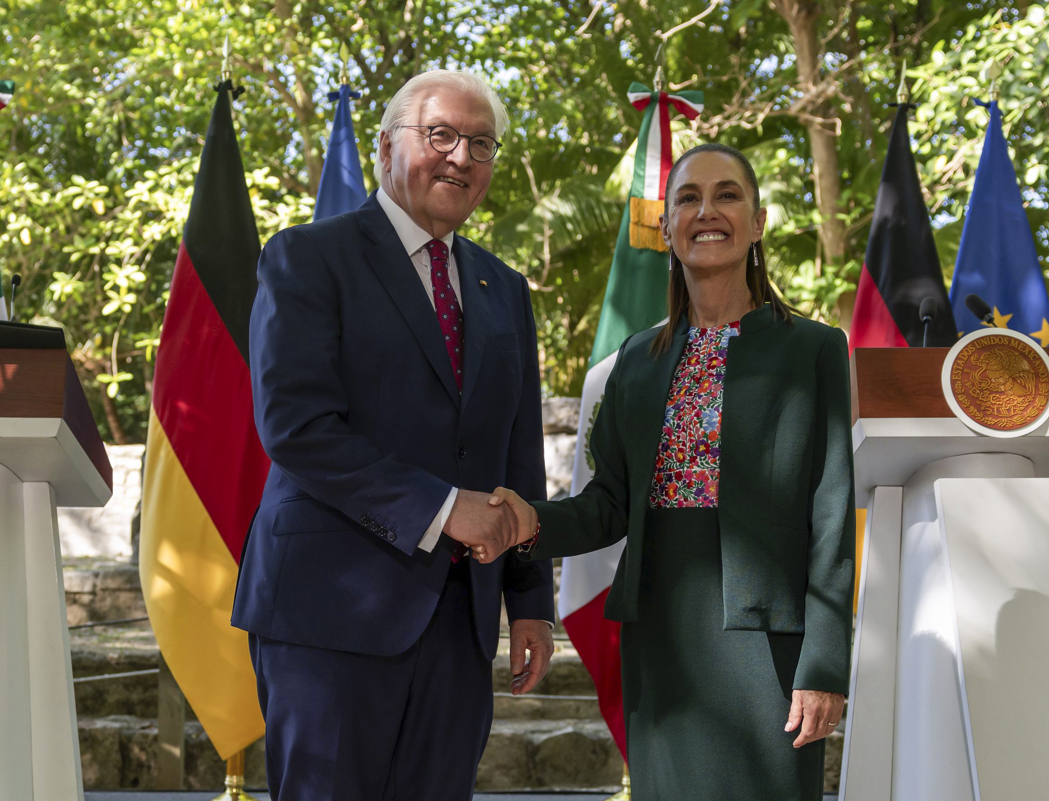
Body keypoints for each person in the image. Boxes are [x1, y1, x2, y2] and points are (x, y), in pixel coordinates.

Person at [484, 143, 856, 800]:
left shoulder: (814, 350)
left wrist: (824, 662)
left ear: (759, 220)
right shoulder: (636, 360)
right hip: (661, 639)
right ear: (667, 227)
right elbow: (608, 502)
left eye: (727, 195)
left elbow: (831, 513)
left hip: (769, 645)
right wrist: (529, 520)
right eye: (687, 198)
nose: (706, 211)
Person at [231, 69, 555, 801]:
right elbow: (297, 426)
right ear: (385, 147)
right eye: (440, 135)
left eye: (481, 143)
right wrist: (444, 509)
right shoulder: (307, 258)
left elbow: (517, 454)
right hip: (329, 616)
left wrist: (529, 599)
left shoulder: (502, 288)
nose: (461, 158)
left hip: (458, 623)